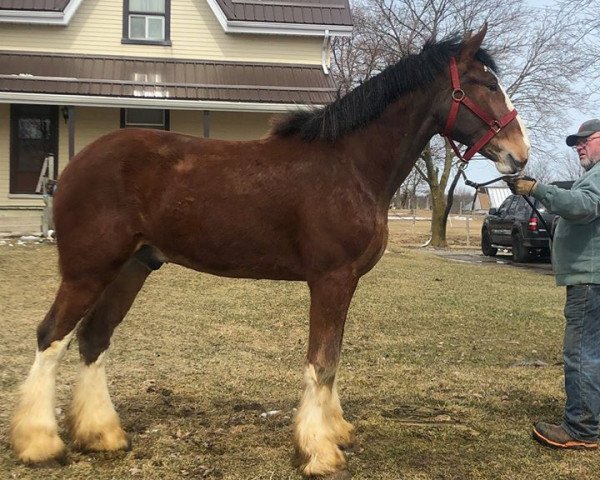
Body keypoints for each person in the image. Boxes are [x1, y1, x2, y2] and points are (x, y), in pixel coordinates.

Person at [509, 118, 600, 450]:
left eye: (585, 140)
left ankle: (581, 429)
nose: (578, 146)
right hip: (593, 279)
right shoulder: (592, 177)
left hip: (590, 282)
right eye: (575, 141)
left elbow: (583, 206)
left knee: (580, 354)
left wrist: (537, 189)